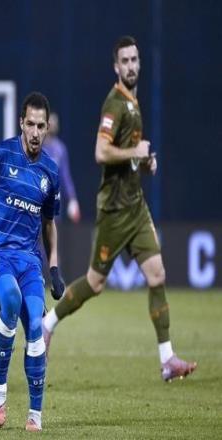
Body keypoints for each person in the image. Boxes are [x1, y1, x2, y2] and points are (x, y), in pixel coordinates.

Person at [42, 36, 197, 382]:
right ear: (116, 67)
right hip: (113, 210)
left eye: (134, 60)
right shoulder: (114, 103)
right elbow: (101, 152)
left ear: (139, 63)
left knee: (157, 275)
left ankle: (167, 359)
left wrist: (144, 163)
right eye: (124, 61)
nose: (130, 66)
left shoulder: (134, 103)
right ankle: (47, 324)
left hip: (135, 207)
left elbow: (128, 156)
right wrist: (134, 153)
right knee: (95, 283)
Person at [0, 92, 65, 432]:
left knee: (37, 326)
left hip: (30, 263)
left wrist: (54, 267)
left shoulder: (50, 171)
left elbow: (49, 224)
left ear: (47, 128)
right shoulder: (1, 154)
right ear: (21, 123)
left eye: (41, 126)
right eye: (30, 124)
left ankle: (35, 416)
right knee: (11, 299)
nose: (35, 132)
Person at [44, 112, 81, 223]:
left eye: (56, 122)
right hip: (36, 199)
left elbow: (65, 176)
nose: (54, 124)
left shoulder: (60, 149)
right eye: (51, 121)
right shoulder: (36, 146)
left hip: (53, 200)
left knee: (52, 230)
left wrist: (72, 199)